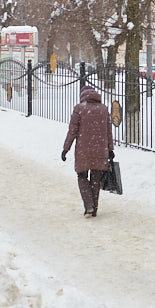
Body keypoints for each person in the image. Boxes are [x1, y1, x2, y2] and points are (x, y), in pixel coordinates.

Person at [61, 85, 114, 218]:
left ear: (83, 95)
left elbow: (72, 131)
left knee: (82, 176)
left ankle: (88, 205)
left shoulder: (79, 109)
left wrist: (66, 148)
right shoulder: (103, 109)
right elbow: (108, 131)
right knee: (96, 179)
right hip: (100, 150)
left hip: (83, 151)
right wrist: (110, 149)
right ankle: (94, 209)